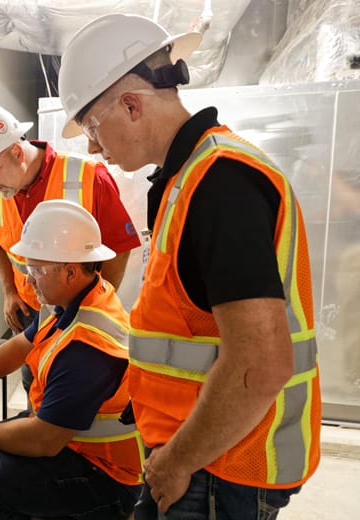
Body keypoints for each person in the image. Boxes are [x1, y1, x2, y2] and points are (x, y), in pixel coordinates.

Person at [57, 13, 321, 519]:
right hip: (196, 449)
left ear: (131, 105)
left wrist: (177, 461)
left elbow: (259, 363)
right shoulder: (188, 176)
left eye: (90, 127)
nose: (91, 146)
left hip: (220, 465)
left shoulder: (220, 182)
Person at [0, 199, 144, 520]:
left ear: (70, 271)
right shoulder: (75, 299)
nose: (28, 280)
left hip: (106, 477)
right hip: (75, 442)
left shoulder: (87, 348)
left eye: (35, 271)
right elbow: (22, 345)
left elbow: (45, 441)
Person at [0, 105, 141, 393]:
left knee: (72, 392)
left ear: (17, 152)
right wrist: (9, 291)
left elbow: (120, 246)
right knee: (36, 381)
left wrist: (89, 307)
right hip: (32, 312)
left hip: (79, 314)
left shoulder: (88, 176)